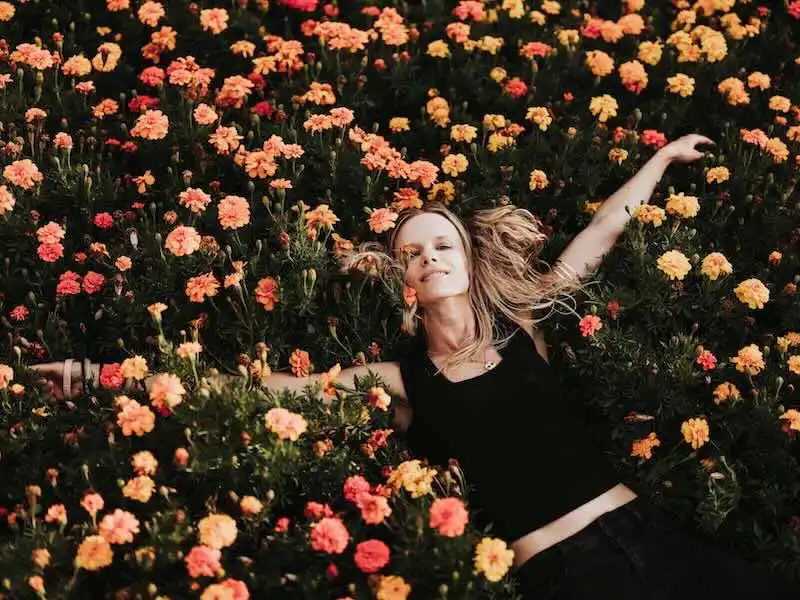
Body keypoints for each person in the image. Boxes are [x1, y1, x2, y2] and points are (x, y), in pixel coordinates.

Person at [30, 134, 792, 598]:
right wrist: (93, 376)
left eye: (443, 245)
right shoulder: (399, 380)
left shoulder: (522, 324)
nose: (431, 258)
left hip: (648, 535)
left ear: (466, 259)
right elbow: (250, 388)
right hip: (567, 578)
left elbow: (599, 235)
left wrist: (660, 159)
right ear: (401, 277)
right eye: (413, 251)